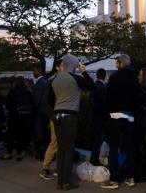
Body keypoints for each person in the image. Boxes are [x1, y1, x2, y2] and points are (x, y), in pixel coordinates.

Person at [51, 54, 95, 190]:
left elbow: (51, 99)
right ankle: (66, 182)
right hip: (70, 116)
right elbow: (92, 86)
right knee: (69, 149)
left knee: (61, 149)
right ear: (73, 65)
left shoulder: (54, 79)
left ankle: (60, 181)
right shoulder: (75, 78)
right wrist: (84, 72)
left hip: (57, 115)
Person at [101, 55, 141, 189]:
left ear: (121, 63)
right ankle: (131, 177)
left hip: (115, 116)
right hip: (129, 117)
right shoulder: (134, 78)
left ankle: (114, 179)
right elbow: (138, 98)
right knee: (130, 147)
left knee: (114, 148)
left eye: (117, 63)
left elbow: (108, 98)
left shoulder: (114, 77)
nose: (116, 65)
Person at [39, 59, 63, 181]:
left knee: (60, 143)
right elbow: (47, 102)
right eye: (63, 66)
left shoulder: (59, 80)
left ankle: (57, 168)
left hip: (60, 116)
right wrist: (53, 117)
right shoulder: (53, 81)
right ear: (58, 68)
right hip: (56, 116)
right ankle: (45, 168)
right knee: (55, 143)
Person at [2, 76, 35, 161]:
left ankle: (9, 152)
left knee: (11, 135)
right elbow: (32, 104)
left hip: (13, 117)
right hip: (24, 117)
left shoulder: (12, 92)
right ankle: (19, 153)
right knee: (21, 135)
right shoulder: (28, 92)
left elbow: (8, 104)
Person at [89, 68, 108, 166]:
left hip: (93, 117)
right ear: (104, 76)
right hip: (101, 119)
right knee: (98, 141)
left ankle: (93, 159)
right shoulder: (103, 88)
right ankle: (94, 160)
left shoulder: (93, 87)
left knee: (94, 140)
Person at [32, 65, 48, 160]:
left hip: (39, 112)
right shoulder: (44, 82)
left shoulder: (40, 83)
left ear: (38, 71)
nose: (33, 73)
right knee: (43, 132)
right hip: (44, 112)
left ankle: (40, 153)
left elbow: (36, 100)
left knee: (40, 133)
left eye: (34, 71)